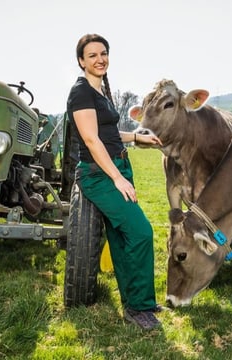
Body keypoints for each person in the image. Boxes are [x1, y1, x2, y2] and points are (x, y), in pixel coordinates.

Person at [66, 33, 164, 330]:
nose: (100, 59)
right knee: (141, 232)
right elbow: (91, 140)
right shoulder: (81, 92)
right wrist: (118, 178)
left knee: (123, 239)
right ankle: (138, 306)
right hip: (100, 175)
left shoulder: (100, 92)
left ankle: (138, 303)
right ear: (81, 61)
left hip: (115, 166)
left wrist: (136, 137)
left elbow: (107, 133)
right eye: (92, 55)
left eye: (103, 53)